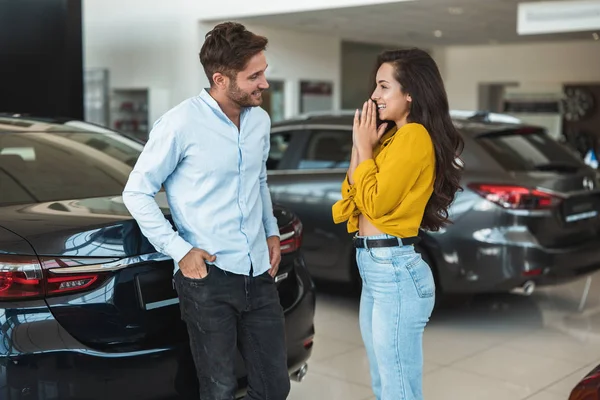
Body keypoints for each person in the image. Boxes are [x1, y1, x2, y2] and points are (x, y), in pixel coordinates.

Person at [122, 22, 290, 400]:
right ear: (220, 78)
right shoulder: (180, 124)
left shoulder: (259, 122)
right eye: (255, 76)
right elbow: (136, 192)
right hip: (209, 279)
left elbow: (258, 181)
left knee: (274, 386)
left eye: (264, 73)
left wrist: (271, 231)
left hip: (259, 274)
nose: (264, 83)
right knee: (219, 390)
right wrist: (180, 251)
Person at [332, 48, 464, 400]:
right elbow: (349, 200)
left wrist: (364, 148)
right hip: (375, 269)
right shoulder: (390, 137)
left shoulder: (414, 136)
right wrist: (361, 149)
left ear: (410, 93)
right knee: (383, 381)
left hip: (394, 271)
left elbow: (373, 202)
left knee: (399, 388)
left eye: (383, 86)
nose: (374, 96)